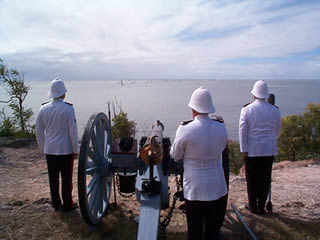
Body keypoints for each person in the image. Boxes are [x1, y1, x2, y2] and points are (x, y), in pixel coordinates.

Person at [170, 87, 228, 240]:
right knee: (212, 231)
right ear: (209, 108)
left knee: (194, 231)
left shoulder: (185, 129)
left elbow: (175, 155)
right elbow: (222, 148)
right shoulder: (221, 127)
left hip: (195, 189)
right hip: (217, 186)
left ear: (193, 108)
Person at [36, 78, 79, 212]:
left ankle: (56, 204)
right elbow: (73, 131)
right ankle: (67, 205)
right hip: (65, 150)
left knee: (53, 179)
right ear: (63, 93)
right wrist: (75, 149)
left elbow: (38, 130)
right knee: (66, 180)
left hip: (50, 150)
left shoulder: (43, 108)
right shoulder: (68, 109)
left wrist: (42, 148)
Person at [239, 80, 281, 214]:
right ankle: (262, 206)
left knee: (252, 180)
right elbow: (277, 130)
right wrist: (270, 141)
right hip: (269, 150)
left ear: (254, 94)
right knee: (265, 179)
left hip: (252, 150)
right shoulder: (275, 110)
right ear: (266, 95)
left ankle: (253, 206)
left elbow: (242, 131)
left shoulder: (247, 109)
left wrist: (244, 149)